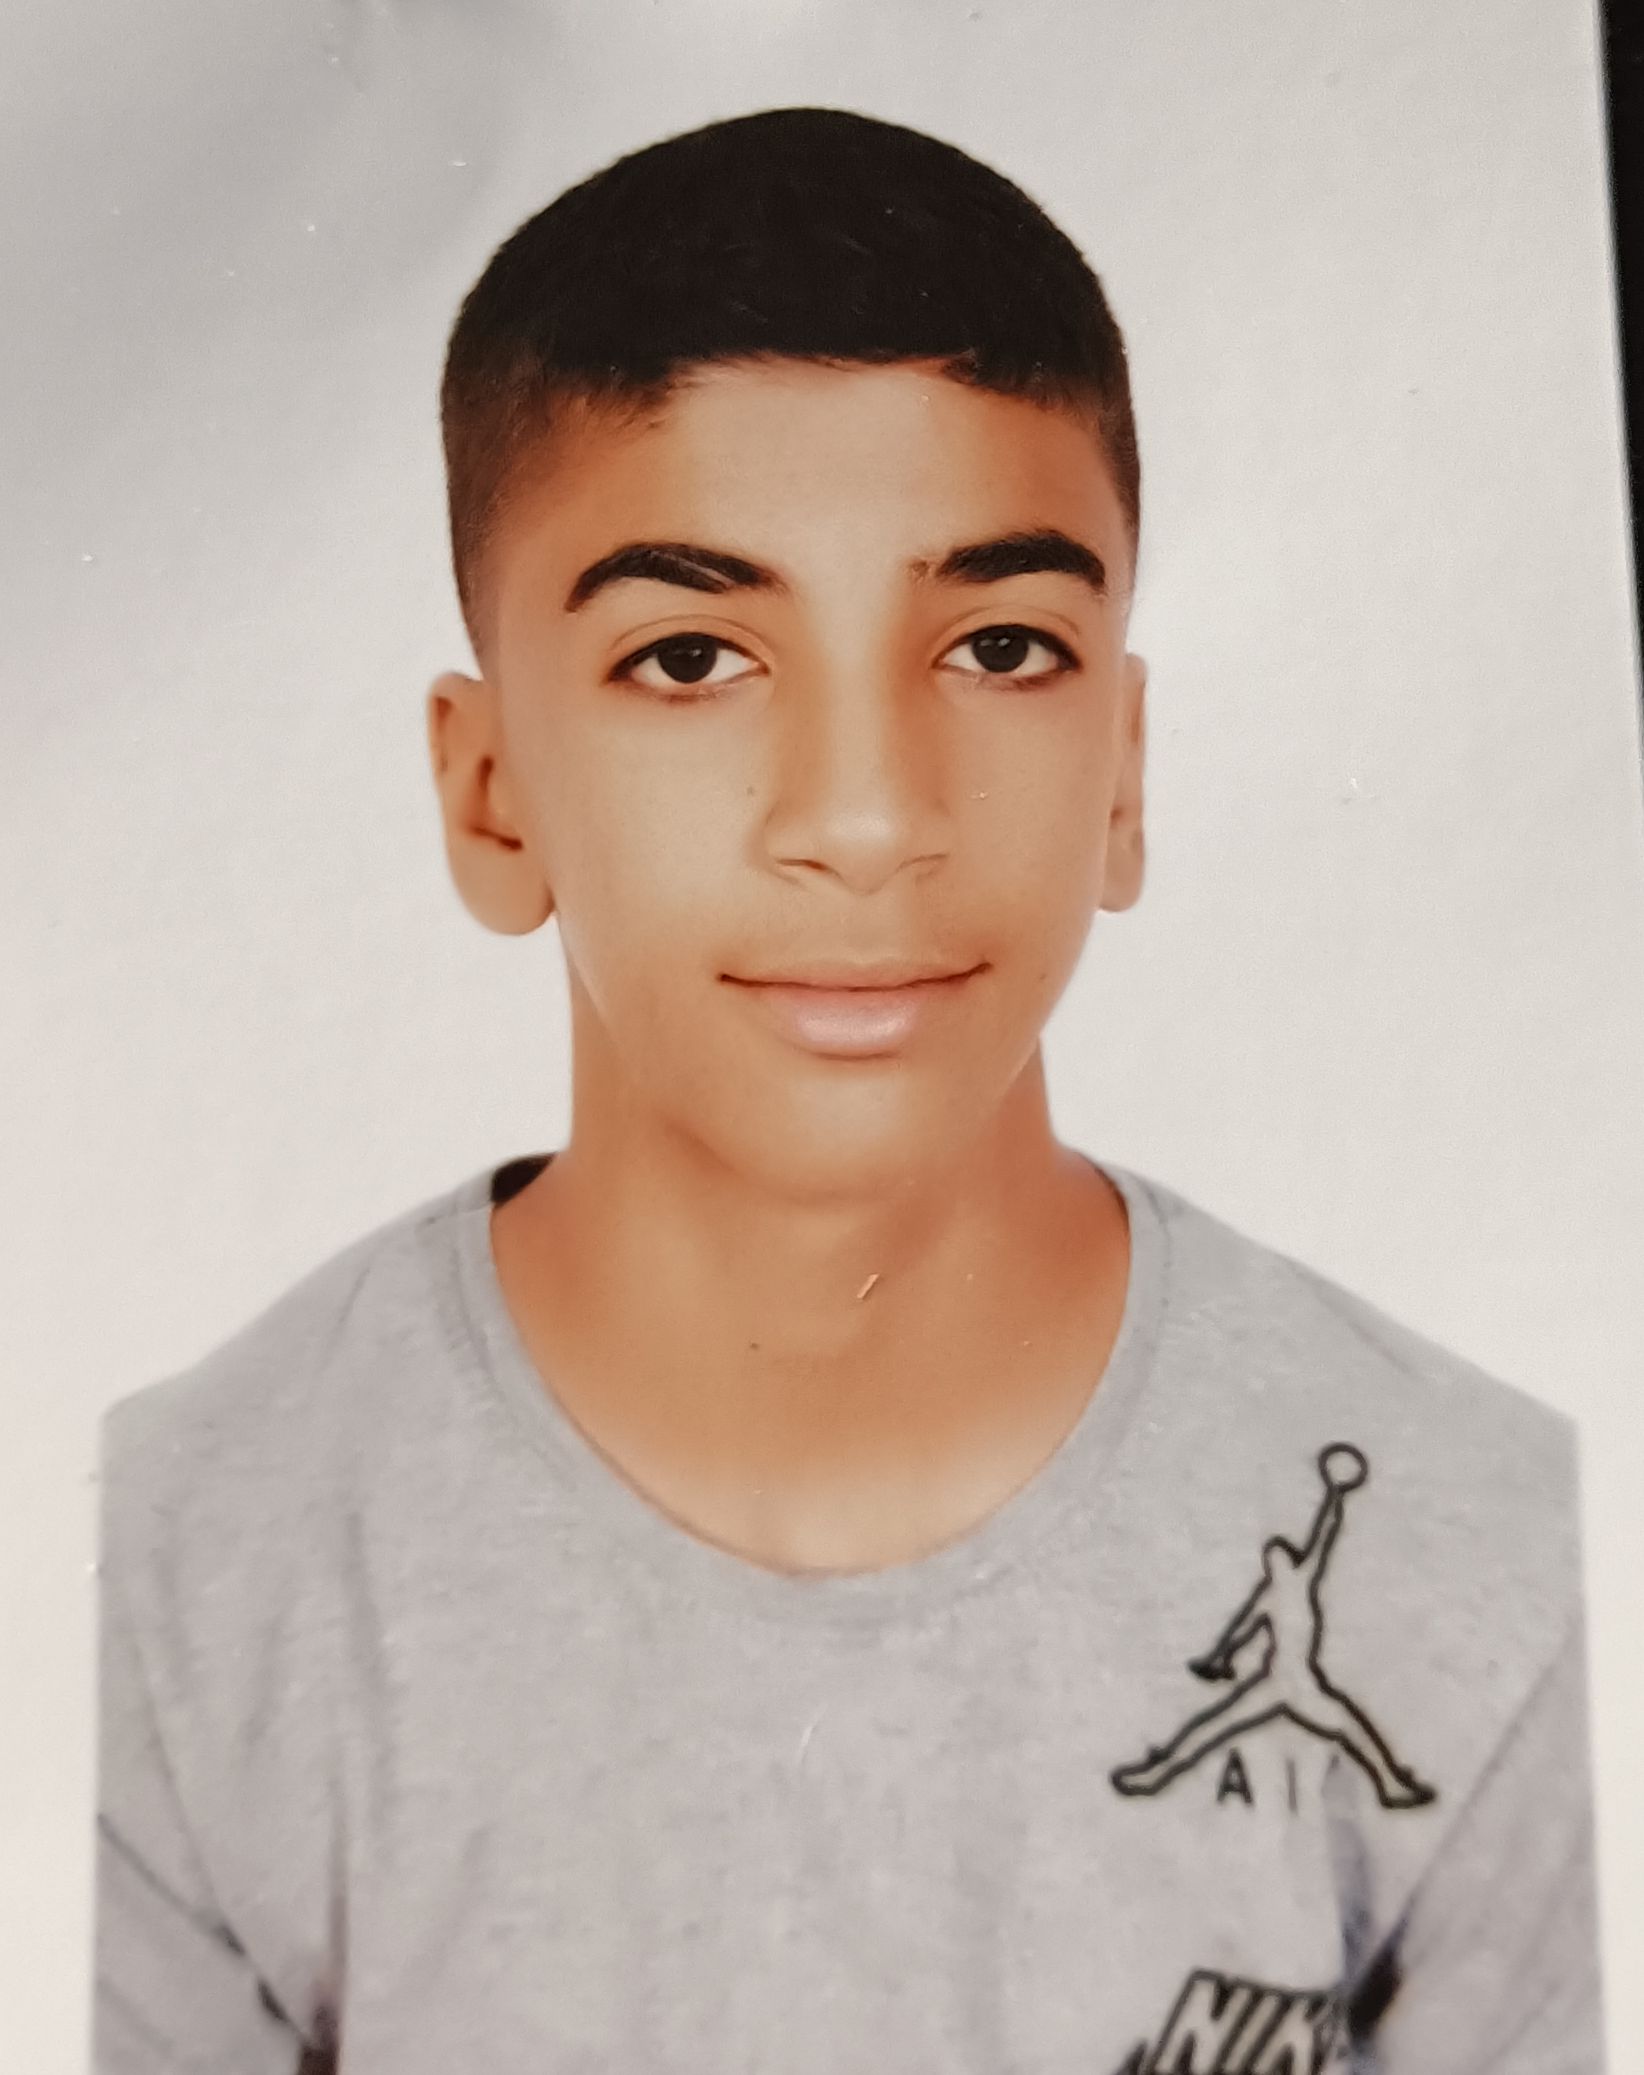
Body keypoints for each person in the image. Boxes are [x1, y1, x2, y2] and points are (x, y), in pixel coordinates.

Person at [92, 107, 1605, 2074]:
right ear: (490, 795)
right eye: (691, 659)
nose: (869, 817)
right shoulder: (167, 1587)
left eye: (1001, 645)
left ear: (1125, 766)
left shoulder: (1509, 1565)